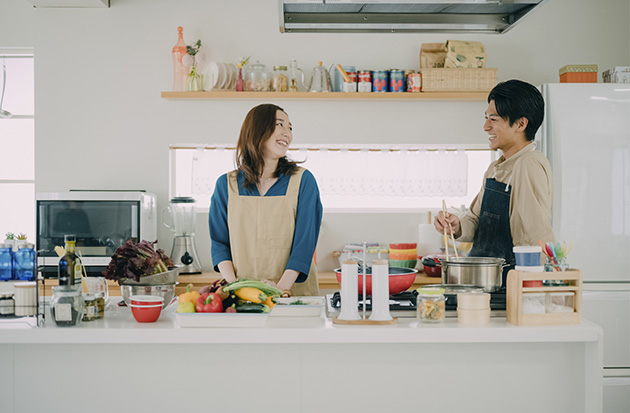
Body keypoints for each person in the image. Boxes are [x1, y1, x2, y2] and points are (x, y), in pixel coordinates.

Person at [434, 79, 555, 286]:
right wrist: (457, 225)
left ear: (520, 124)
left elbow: (532, 237)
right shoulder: (497, 168)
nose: (485, 126)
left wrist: (529, 293)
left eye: (494, 119)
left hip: (506, 285)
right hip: (484, 283)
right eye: (486, 118)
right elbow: (476, 219)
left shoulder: (528, 164)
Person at [209, 103, 322, 296]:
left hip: (292, 293)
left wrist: (280, 288)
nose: (287, 133)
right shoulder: (226, 185)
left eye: (290, 128)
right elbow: (220, 244)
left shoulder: (303, 181)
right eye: (280, 124)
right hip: (241, 294)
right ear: (257, 129)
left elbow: (305, 243)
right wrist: (235, 286)